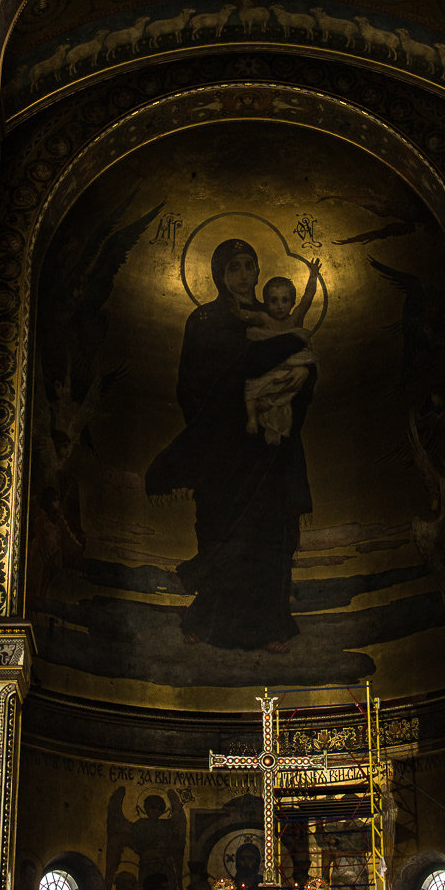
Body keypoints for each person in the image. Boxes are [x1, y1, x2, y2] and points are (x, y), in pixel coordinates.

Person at [145, 237, 316, 651]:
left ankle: (271, 626)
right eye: (234, 267)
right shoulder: (203, 320)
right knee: (221, 532)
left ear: (259, 272)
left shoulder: (273, 314)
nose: (243, 275)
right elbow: (191, 385)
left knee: (267, 536)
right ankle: (208, 619)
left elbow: (301, 368)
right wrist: (220, 420)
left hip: (268, 449)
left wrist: (302, 378)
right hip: (220, 446)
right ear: (220, 275)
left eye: (249, 266)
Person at [244, 261, 321, 443]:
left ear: (292, 301)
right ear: (266, 302)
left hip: (291, 370)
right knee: (257, 385)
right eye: (274, 300)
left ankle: (272, 402)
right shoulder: (264, 321)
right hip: (270, 375)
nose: (280, 306)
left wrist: (313, 276)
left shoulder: (295, 318)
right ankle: (260, 412)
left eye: (285, 300)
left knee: (290, 381)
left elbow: (307, 299)